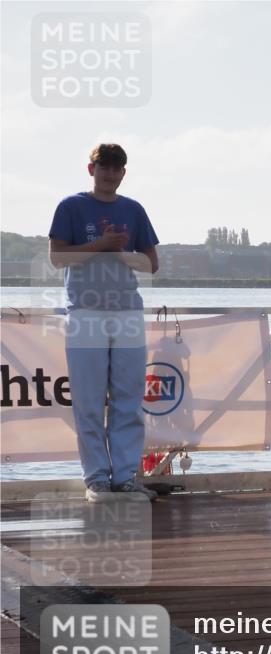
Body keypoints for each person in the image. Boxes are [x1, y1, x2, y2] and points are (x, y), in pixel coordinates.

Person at [48, 143, 159, 503]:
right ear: (90, 169)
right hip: (85, 313)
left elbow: (151, 263)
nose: (109, 173)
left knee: (128, 399)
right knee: (89, 400)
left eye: (116, 167)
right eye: (103, 166)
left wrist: (121, 252)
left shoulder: (134, 210)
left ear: (124, 172)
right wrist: (102, 245)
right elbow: (57, 257)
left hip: (127, 312)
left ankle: (125, 477)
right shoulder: (71, 207)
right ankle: (97, 477)